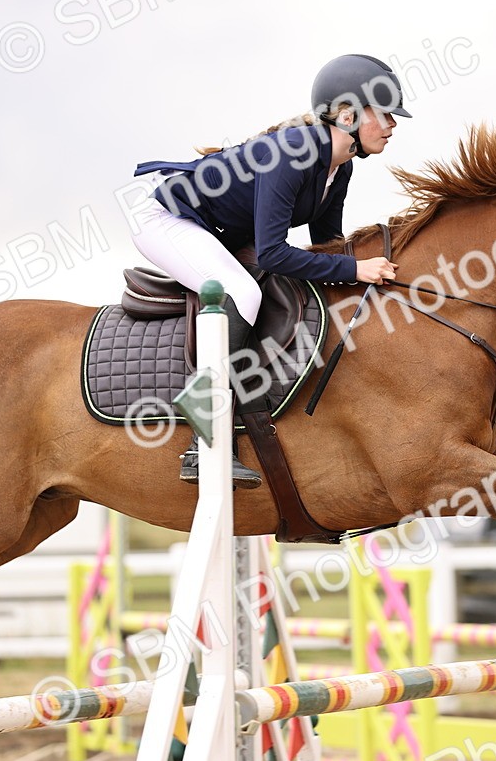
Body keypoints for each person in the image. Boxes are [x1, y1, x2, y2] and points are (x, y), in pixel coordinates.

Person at [131, 54, 410, 488]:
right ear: (348, 114)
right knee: (243, 293)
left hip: (214, 227)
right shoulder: (293, 155)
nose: (393, 125)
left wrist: (362, 268)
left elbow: (324, 248)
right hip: (166, 219)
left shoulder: (340, 167)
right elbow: (276, 255)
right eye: (386, 113)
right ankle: (201, 446)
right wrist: (356, 267)